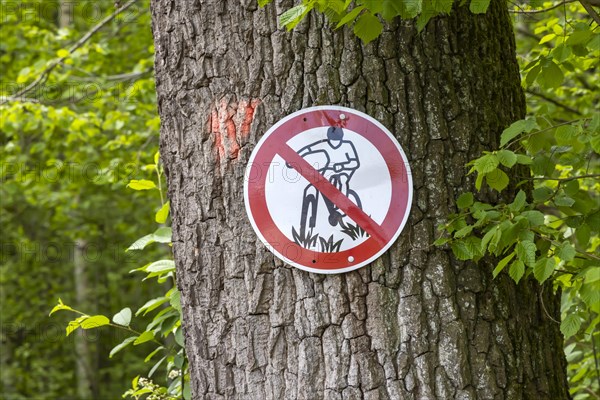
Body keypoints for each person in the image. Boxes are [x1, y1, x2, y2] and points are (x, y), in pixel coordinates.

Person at [290, 127, 362, 238]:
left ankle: (340, 208)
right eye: (332, 141)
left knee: (342, 181)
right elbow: (308, 149)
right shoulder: (324, 145)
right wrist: (294, 158)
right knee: (315, 186)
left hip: (343, 172)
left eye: (337, 142)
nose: (334, 144)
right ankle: (313, 220)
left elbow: (355, 163)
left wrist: (341, 166)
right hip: (328, 173)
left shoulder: (347, 145)